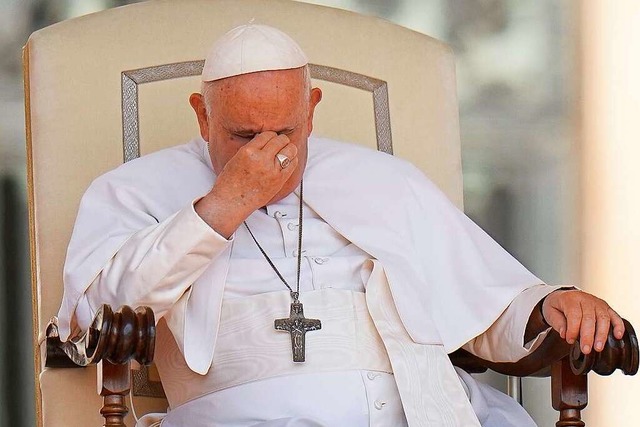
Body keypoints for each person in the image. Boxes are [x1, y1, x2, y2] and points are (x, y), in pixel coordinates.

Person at [58, 24, 625, 426]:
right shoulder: (132, 189)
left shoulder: (383, 180)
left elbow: (482, 302)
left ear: (313, 109)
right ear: (202, 115)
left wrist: (549, 304)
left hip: (421, 411)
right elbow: (96, 314)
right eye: (242, 136)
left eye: (285, 131)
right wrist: (221, 207)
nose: (268, 154)